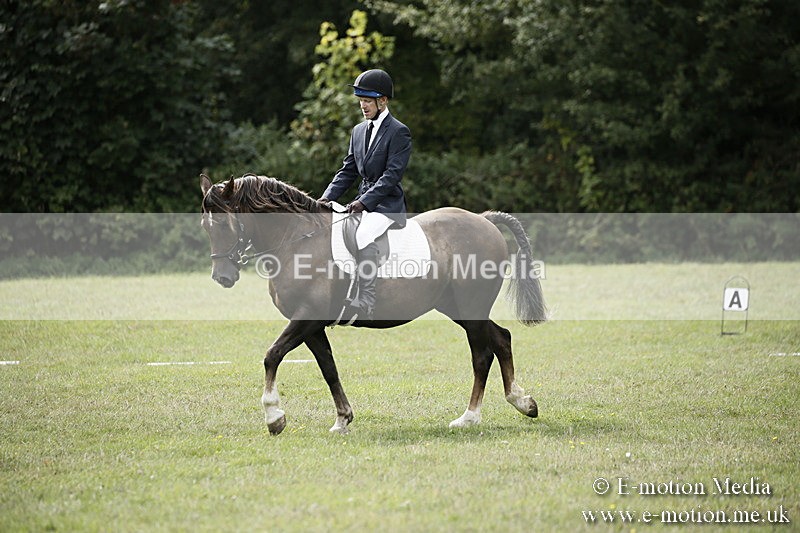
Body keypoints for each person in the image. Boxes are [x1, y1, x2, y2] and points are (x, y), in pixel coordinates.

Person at [318, 69, 412, 321]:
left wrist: (364, 201)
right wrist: (324, 200)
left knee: (364, 233)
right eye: (360, 100)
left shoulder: (398, 132)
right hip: (362, 203)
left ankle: (367, 299)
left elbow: (392, 176)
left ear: (383, 101)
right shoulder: (358, 131)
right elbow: (348, 171)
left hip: (386, 205)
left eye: (367, 101)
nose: (362, 105)